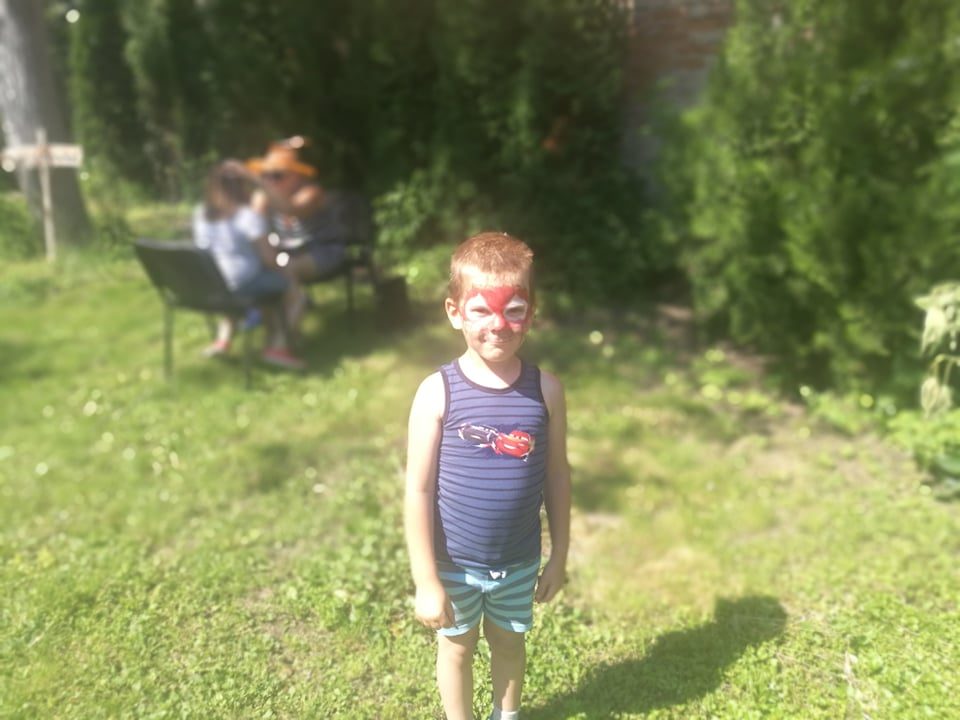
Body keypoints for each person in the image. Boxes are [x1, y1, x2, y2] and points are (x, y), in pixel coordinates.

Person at [404, 232, 571, 720]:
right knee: (456, 648)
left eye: (514, 310)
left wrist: (559, 555)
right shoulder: (436, 393)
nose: (498, 324)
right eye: (481, 310)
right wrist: (426, 580)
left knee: (509, 644)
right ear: (455, 312)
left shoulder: (547, 391)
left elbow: (557, 476)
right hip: (453, 562)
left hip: (518, 562)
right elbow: (418, 490)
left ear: (532, 313)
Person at [191, 160, 305, 370]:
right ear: (243, 186)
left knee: (236, 280)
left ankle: (222, 341)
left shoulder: (200, 214)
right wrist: (285, 265)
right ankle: (279, 347)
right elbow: (269, 260)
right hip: (241, 284)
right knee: (292, 288)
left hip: (212, 284)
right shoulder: (247, 216)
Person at [247, 137, 349, 335]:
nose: (269, 181)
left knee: (285, 271)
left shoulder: (311, 192)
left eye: (277, 175)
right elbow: (252, 227)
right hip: (289, 255)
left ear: (297, 175)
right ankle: (272, 328)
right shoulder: (268, 198)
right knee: (264, 271)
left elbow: (293, 209)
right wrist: (257, 209)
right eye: (265, 175)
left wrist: (265, 195)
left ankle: (286, 336)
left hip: (323, 251)